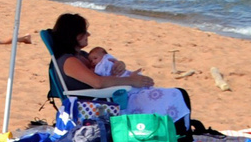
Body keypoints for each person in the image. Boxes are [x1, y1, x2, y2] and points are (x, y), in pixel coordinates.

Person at [46, 12, 191, 124]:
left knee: (177, 94)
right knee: (177, 94)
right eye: (85, 31)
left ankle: (183, 139)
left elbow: (106, 69)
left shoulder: (82, 55)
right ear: (76, 36)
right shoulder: (69, 61)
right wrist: (131, 80)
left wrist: (119, 64)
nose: (88, 35)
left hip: (110, 96)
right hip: (103, 104)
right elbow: (98, 83)